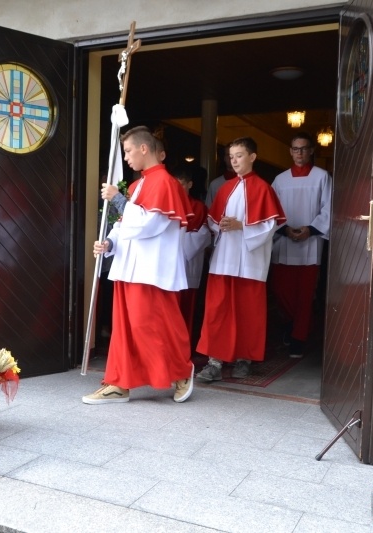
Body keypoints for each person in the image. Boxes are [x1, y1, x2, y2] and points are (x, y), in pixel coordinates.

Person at [84, 126, 195, 404]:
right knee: (125, 330)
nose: (126, 157)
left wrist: (119, 199)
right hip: (128, 267)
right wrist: (109, 243)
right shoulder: (137, 185)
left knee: (156, 327)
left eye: (128, 151)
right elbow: (125, 226)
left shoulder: (165, 183)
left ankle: (182, 371)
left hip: (151, 270)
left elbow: (150, 224)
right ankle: (119, 382)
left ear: (144, 148)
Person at [195, 137, 286, 382]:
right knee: (217, 311)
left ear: (253, 157)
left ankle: (244, 360)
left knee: (248, 312)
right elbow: (212, 220)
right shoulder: (224, 188)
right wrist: (220, 225)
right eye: (231, 156)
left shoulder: (263, 188)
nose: (234, 160)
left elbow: (270, 226)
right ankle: (214, 362)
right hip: (224, 259)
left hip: (249, 261)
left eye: (239, 155)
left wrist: (241, 226)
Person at [270, 132, 332, 358]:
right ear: (290, 151)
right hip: (284, 241)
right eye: (295, 149)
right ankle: (289, 324)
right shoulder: (280, 180)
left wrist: (311, 229)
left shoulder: (322, 177)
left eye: (304, 148)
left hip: (310, 243)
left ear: (312, 150)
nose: (299, 153)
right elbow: (271, 210)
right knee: (282, 292)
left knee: (305, 295)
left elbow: (328, 208)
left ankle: (298, 338)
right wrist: (284, 229)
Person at [172, 165, 210, 340]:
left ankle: (184, 343)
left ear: (190, 184)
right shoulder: (167, 205)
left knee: (187, 305)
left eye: (181, 184)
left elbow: (204, 233)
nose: (178, 189)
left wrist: (178, 241)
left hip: (188, 262)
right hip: (169, 263)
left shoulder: (199, 207)